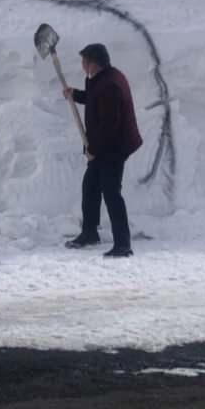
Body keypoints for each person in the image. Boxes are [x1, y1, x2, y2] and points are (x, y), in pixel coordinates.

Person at [62, 43, 143, 258]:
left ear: (93, 63)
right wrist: (75, 94)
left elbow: (109, 125)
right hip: (106, 145)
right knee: (90, 186)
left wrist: (93, 150)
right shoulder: (102, 78)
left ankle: (123, 244)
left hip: (115, 147)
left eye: (84, 61)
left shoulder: (110, 85)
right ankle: (90, 233)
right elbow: (93, 99)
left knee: (111, 192)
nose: (82, 65)